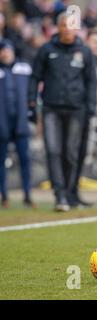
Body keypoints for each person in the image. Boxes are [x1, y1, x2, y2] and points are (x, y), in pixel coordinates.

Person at [28, 13, 97, 212]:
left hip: (77, 109)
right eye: (65, 26)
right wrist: (32, 101)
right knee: (53, 151)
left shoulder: (84, 51)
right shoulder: (46, 50)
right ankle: (59, 195)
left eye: (72, 26)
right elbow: (35, 77)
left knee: (70, 152)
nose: (68, 29)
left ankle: (68, 193)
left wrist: (91, 105)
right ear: (58, 27)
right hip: (51, 109)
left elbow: (91, 80)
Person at [69, 29, 97, 208]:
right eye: (95, 42)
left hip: (87, 112)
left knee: (81, 153)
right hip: (76, 112)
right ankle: (67, 193)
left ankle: (74, 192)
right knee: (72, 152)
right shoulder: (79, 60)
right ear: (87, 41)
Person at [0, 39, 35, 209]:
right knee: (1, 161)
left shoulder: (24, 68)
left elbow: (32, 93)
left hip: (21, 123)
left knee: (25, 160)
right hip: (2, 124)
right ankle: (4, 196)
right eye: (3, 51)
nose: (5, 53)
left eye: (8, 50)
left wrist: (32, 114)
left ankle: (27, 194)